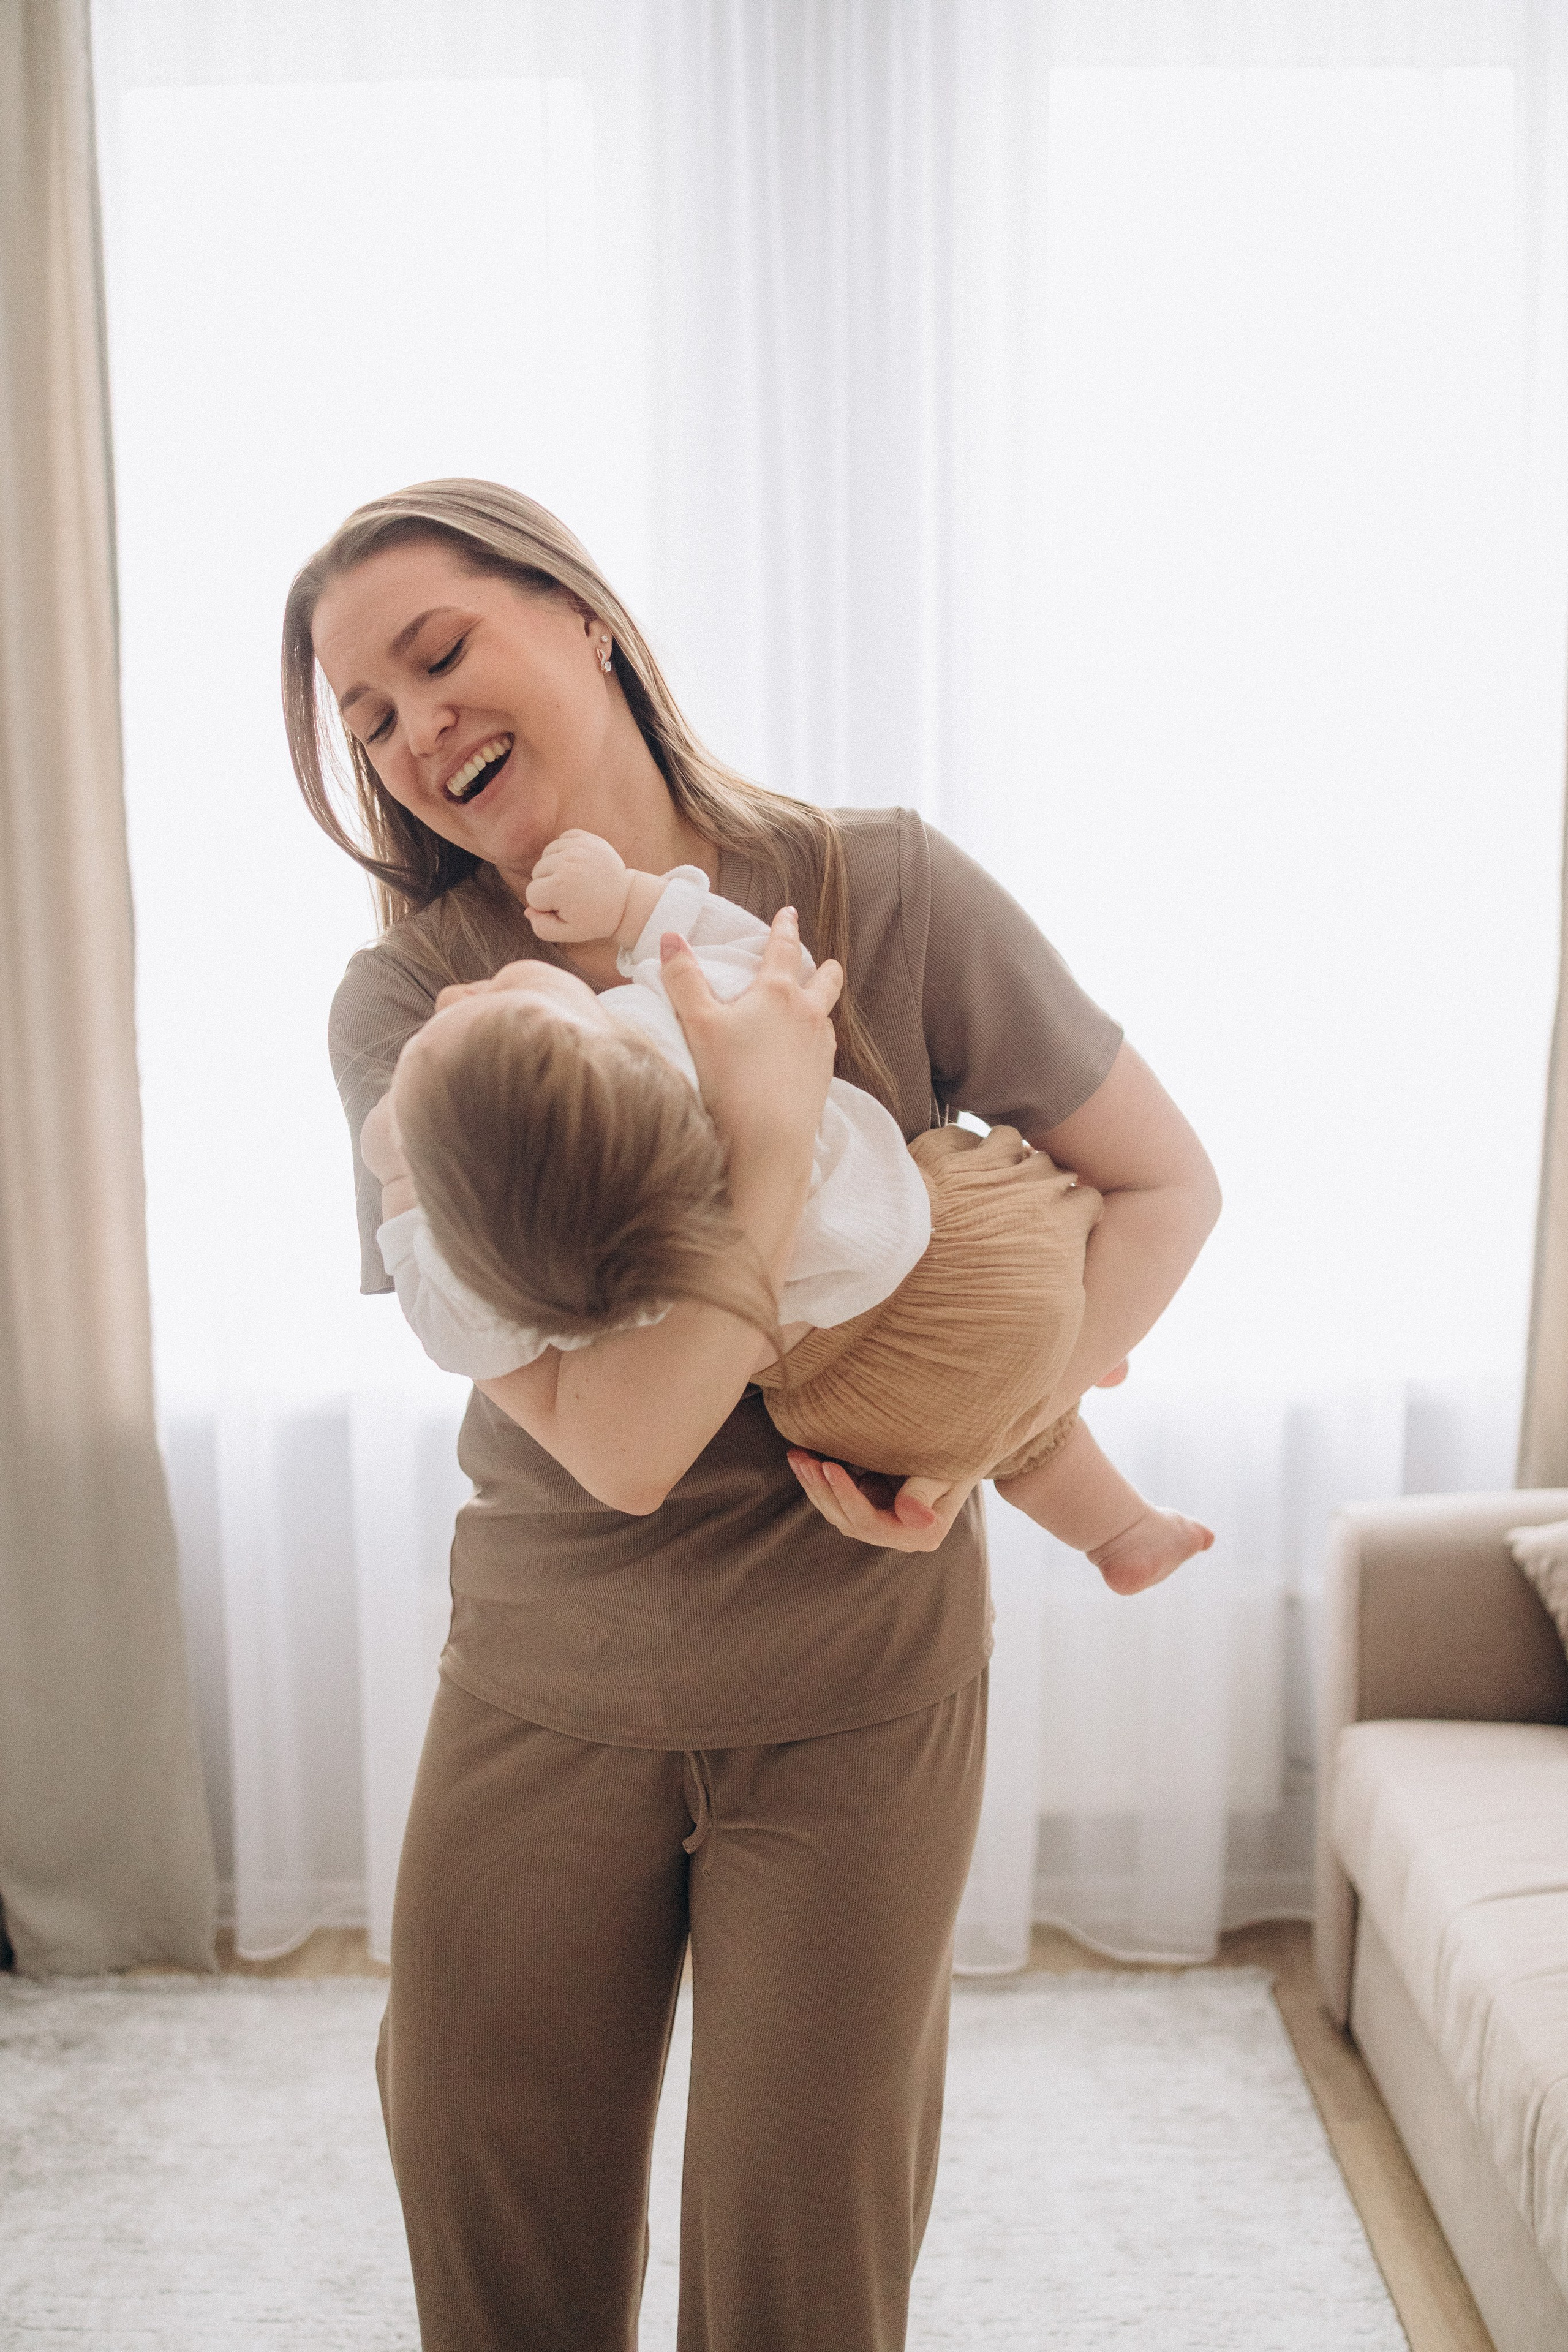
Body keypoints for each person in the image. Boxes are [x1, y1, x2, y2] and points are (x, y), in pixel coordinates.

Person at [286, 476, 1223, 2352]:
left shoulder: (877, 888)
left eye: (438, 655)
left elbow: (1165, 1189)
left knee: (805, 2273)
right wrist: (777, 1143)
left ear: (589, 620)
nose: (408, 736)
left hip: (858, 1701)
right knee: (495, 2227)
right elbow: (618, 1445)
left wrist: (970, 1432)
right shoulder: (415, 1005)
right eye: (365, 717)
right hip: (548, 1681)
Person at [361, 825, 1215, 1594]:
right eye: (487, 1004)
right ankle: (1080, 1336)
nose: (452, 996)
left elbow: (457, 1329)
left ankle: (1123, 1533)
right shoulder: (670, 1038)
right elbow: (775, 967)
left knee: (1025, 1445)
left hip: (855, 1400)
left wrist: (402, 1189)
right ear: (600, 1036)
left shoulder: (532, 1254)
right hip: (970, 1253)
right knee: (1052, 1245)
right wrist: (629, 902)